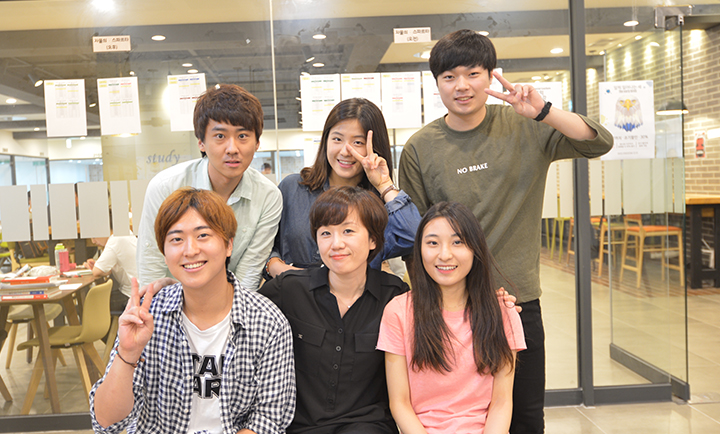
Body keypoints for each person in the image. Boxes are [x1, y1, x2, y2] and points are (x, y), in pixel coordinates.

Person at [397, 30, 613, 433]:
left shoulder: (525, 125)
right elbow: (415, 235)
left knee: (525, 417)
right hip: (452, 307)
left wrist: (544, 112)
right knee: (458, 416)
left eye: (472, 73)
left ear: (491, 75)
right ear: (437, 83)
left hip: (517, 301)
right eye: (449, 77)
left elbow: (598, 142)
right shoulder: (420, 147)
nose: (462, 86)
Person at [90, 187, 295, 434]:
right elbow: (107, 423)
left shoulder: (267, 321)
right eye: (176, 239)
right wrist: (127, 353)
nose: (190, 250)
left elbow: (268, 419)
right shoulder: (148, 315)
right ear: (164, 253)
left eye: (203, 235)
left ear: (228, 245)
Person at [260, 186, 406, 434]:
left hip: (368, 427)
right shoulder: (289, 289)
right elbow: (237, 313)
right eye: (326, 233)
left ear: (373, 239)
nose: (336, 244)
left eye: (348, 231)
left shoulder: (394, 296)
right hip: (299, 427)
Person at [378, 202, 526, 434]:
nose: (445, 255)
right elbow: (400, 403)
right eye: (432, 243)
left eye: (457, 242)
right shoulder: (398, 312)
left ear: (475, 248)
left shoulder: (503, 313)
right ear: (419, 250)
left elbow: (502, 402)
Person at [137, 84, 282, 291]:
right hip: (171, 301)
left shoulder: (268, 196)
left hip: (232, 303)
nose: (232, 149)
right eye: (220, 136)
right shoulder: (165, 187)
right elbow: (151, 265)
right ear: (201, 143)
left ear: (257, 142)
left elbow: (249, 271)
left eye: (242, 136)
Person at [265, 98, 421, 278]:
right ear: (326, 141)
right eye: (337, 139)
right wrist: (275, 266)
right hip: (293, 292)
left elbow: (414, 236)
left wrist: (384, 184)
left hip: (357, 294)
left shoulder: (378, 204)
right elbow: (264, 244)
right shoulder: (293, 188)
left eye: (358, 143)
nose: (346, 151)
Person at [83, 234, 137, 312]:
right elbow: (105, 269)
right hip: (139, 292)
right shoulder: (124, 233)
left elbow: (96, 272)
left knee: (92, 304)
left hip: (131, 296)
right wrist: (100, 266)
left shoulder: (115, 240)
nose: (93, 241)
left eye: (94, 237)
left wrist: (98, 267)